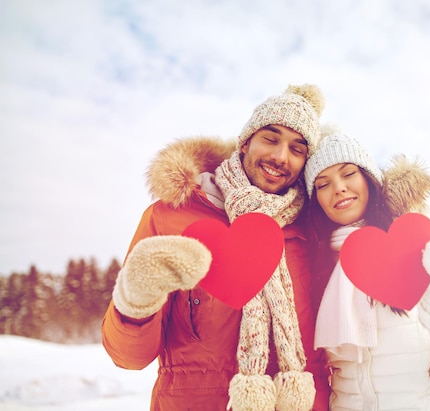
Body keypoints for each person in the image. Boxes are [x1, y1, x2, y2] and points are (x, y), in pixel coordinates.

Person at [101, 84, 331, 411]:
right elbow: (129, 357)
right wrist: (136, 301)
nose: (281, 157)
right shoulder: (171, 219)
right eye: (270, 138)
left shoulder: (315, 229)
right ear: (245, 142)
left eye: (298, 148)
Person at [303, 125, 430, 410]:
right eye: (322, 184)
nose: (338, 187)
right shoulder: (317, 262)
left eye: (349, 173)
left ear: (370, 178)